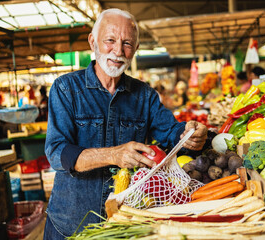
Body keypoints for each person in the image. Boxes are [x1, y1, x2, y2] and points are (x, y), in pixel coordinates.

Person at [44, 8, 207, 239]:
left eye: (127, 43)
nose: (118, 51)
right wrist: (113, 155)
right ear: (93, 41)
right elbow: (57, 152)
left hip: (126, 222)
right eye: (110, 40)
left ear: (136, 50)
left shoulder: (145, 95)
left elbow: (170, 131)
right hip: (70, 224)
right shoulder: (66, 89)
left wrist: (188, 132)